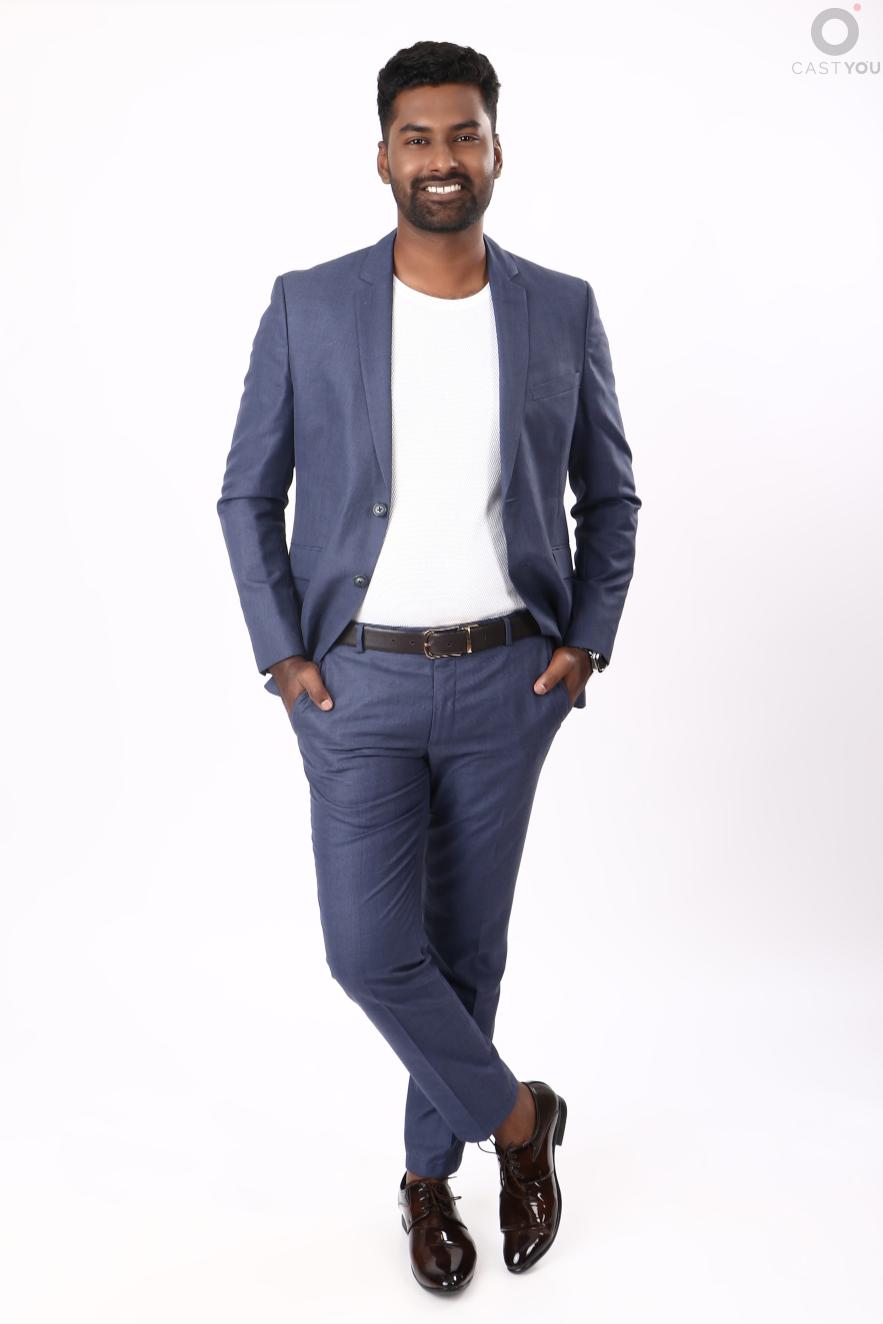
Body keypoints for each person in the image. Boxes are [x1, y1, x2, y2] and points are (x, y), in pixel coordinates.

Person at [217, 39, 641, 1293]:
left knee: (466, 950)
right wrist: (285, 655)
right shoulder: (309, 304)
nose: (441, 158)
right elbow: (247, 492)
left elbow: (610, 496)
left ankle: (423, 1180)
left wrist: (584, 640)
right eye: (418, 137)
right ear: (383, 156)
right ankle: (518, 1119)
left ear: (496, 150)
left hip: (511, 680)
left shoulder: (559, 306)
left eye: (464, 134)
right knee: (368, 951)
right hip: (357, 685)